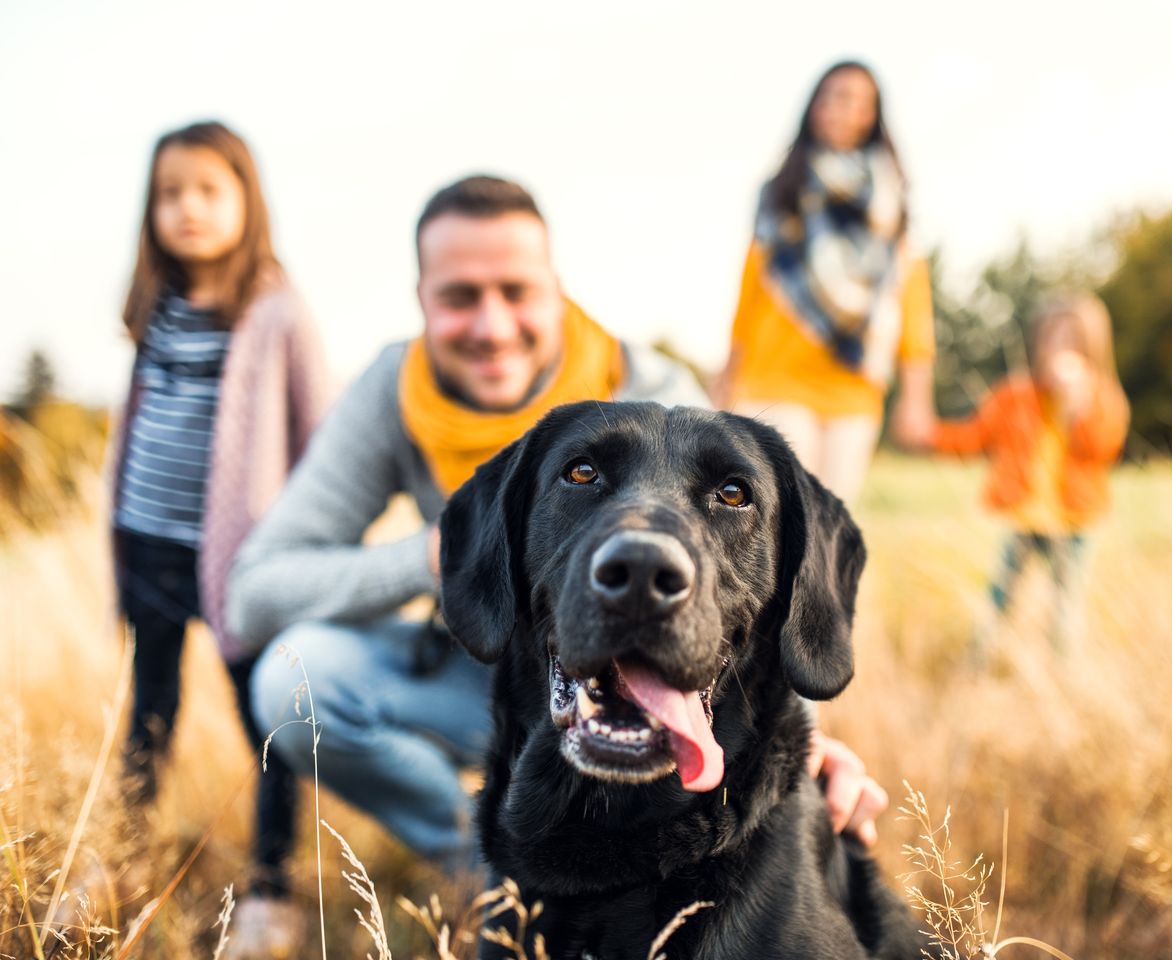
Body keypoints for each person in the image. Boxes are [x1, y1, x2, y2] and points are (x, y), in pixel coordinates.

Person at [231, 175, 889, 885]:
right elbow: (256, 592)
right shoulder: (393, 392)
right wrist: (442, 556)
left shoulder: (656, 394)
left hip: (642, 669)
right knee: (294, 680)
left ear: (556, 289)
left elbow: (741, 584)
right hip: (482, 663)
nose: (491, 326)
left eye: (516, 292)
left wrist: (810, 745)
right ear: (421, 300)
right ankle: (494, 870)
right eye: (459, 297)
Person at [109, 121, 331, 946]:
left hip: (243, 564)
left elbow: (322, 432)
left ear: (247, 200)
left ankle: (272, 885)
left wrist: (305, 544)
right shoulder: (154, 307)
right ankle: (124, 856)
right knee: (149, 712)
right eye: (170, 194)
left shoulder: (276, 307)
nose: (188, 209)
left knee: (267, 718)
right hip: (148, 545)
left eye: (208, 190)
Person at [720, 60, 936, 504]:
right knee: (776, 513)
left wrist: (917, 397)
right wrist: (725, 378)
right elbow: (750, 291)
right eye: (835, 95)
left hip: (853, 388)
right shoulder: (781, 190)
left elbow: (911, 299)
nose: (845, 109)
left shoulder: (892, 204)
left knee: (829, 525)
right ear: (815, 106)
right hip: (774, 379)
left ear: (873, 117)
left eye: (860, 102)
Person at [927, 292, 1129, 650]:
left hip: (1074, 522)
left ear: (1092, 347)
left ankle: (1062, 668)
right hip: (1024, 517)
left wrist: (1077, 406)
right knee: (1000, 595)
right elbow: (975, 436)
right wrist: (929, 434)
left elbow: (1103, 448)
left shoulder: (1103, 398)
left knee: (1065, 603)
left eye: (1071, 340)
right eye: (1051, 338)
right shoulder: (1015, 396)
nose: (1059, 349)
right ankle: (979, 659)